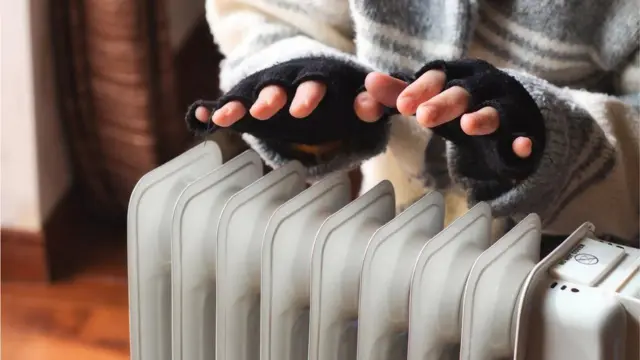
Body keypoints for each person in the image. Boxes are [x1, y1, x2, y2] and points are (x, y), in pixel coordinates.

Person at [188, 0, 639, 246]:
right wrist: (305, 75)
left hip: (583, 255)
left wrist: (555, 140)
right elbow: (268, 16)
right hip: (398, 231)